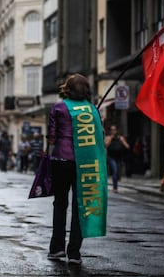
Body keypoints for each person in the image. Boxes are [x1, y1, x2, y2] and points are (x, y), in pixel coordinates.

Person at [47, 74, 107, 265]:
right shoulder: (92, 111)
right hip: (85, 163)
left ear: (68, 89)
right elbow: (100, 136)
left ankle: (56, 249)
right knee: (80, 206)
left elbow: (51, 138)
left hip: (61, 160)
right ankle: (74, 253)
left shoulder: (59, 107)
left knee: (60, 204)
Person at [104, 124, 130, 192]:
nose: (113, 131)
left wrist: (123, 141)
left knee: (117, 173)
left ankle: (115, 185)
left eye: (114, 130)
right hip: (111, 157)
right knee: (114, 171)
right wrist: (110, 139)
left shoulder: (120, 138)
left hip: (119, 158)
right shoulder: (108, 138)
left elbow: (127, 146)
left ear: (116, 131)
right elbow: (105, 145)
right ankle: (115, 188)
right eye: (112, 130)